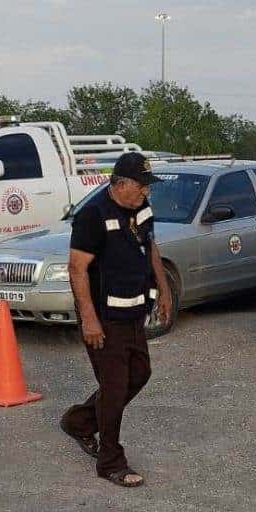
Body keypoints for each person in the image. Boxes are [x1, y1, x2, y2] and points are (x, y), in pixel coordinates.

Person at [60, 153, 173, 487]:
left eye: (147, 187)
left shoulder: (141, 210)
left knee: (140, 373)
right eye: (141, 186)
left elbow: (150, 247)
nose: (145, 193)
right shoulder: (92, 216)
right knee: (114, 386)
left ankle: (80, 421)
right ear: (120, 184)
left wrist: (164, 289)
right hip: (104, 317)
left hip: (133, 313)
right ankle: (110, 461)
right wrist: (89, 320)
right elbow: (76, 269)